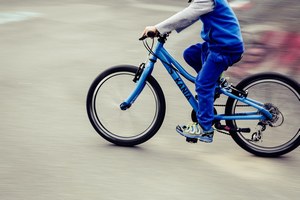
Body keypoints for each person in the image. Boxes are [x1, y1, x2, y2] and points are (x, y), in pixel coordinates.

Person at [141, 0, 244, 143]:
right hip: (217, 44)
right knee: (190, 54)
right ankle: (215, 82)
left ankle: (205, 129)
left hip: (224, 48)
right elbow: (192, 14)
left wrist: (158, 28)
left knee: (203, 84)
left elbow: (187, 15)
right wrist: (168, 27)